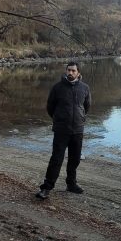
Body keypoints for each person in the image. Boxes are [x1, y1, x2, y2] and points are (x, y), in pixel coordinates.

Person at [36, 61, 92, 200]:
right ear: (66, 71)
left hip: (78, 130)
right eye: (69, 70)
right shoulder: (57, 88)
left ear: (78, 73)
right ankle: (46, 188)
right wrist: (59, 119)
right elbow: (50, 107)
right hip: (61, 130)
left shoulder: (84, 88)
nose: (70, 73)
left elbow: (86, 106)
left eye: (73, 70)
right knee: (56, 159)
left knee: (75, 159)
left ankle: (71, 184)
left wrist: (80, 118)